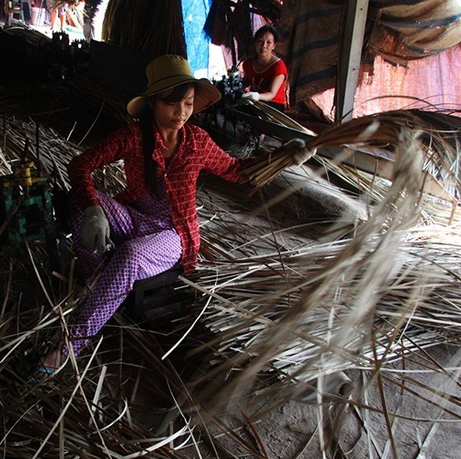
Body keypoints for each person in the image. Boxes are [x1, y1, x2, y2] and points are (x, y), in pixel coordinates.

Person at [38, 54, 315, 374]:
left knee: (129, 255)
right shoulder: (132, 136)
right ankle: (98, 280)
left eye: (187, 103)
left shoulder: (197, 142)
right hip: (135, 217)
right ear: (153, 103)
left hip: (173, 234)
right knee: (77, 201)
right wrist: (93, 209)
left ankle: (71, 342)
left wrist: (285, 156)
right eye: (172, 104)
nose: (181, 112)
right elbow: (80, 165)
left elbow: (237, 171)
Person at [240, 24, 287, 111]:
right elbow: (245, 83)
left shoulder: (279, 67)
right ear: (255, 43)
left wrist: (257, 96)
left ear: (274, 45)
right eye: (260, 41)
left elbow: (271, 94)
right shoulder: (248, 63)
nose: (264, 46)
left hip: (274, 105)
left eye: (269, 42)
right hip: (255, 102)